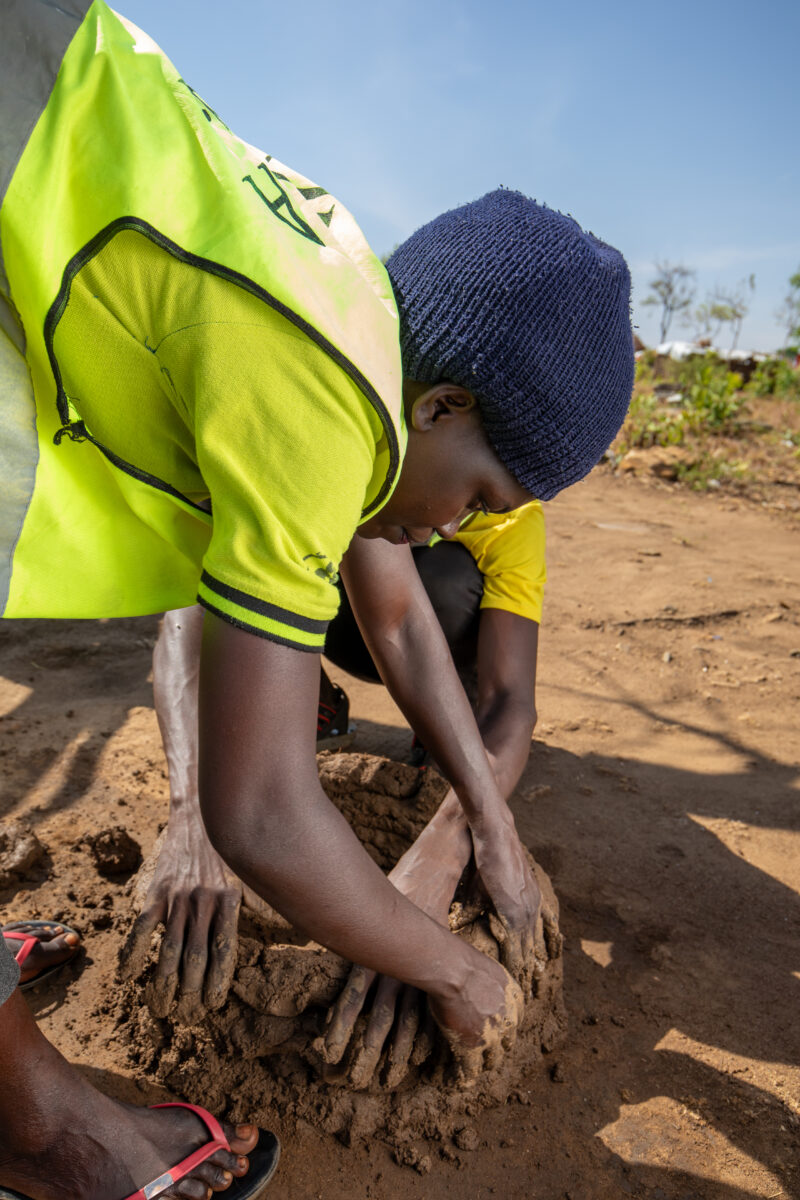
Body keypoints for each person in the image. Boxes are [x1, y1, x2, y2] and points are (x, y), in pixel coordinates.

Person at [0, 0, 633, 1195]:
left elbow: (394, 610)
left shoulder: (343, 308)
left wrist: (480, 829)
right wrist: (456, 974)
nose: (464, 523)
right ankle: (34, 1129)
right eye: (481, 488)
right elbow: (263, 815)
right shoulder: (326, 403)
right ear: (439, 405)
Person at [122, 498, 546, 1047]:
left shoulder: (509, 510)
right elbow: (191, 615)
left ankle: (444, 723)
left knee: (440, 575)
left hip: (432, 623)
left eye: (482, 503)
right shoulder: (314, 457)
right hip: (328, 605)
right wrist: (193, 816)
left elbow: (509, 699)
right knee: (271, 577)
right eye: (468, 495)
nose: (449, 524)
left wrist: (447, 846)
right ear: (437, 411)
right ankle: (302, 701)